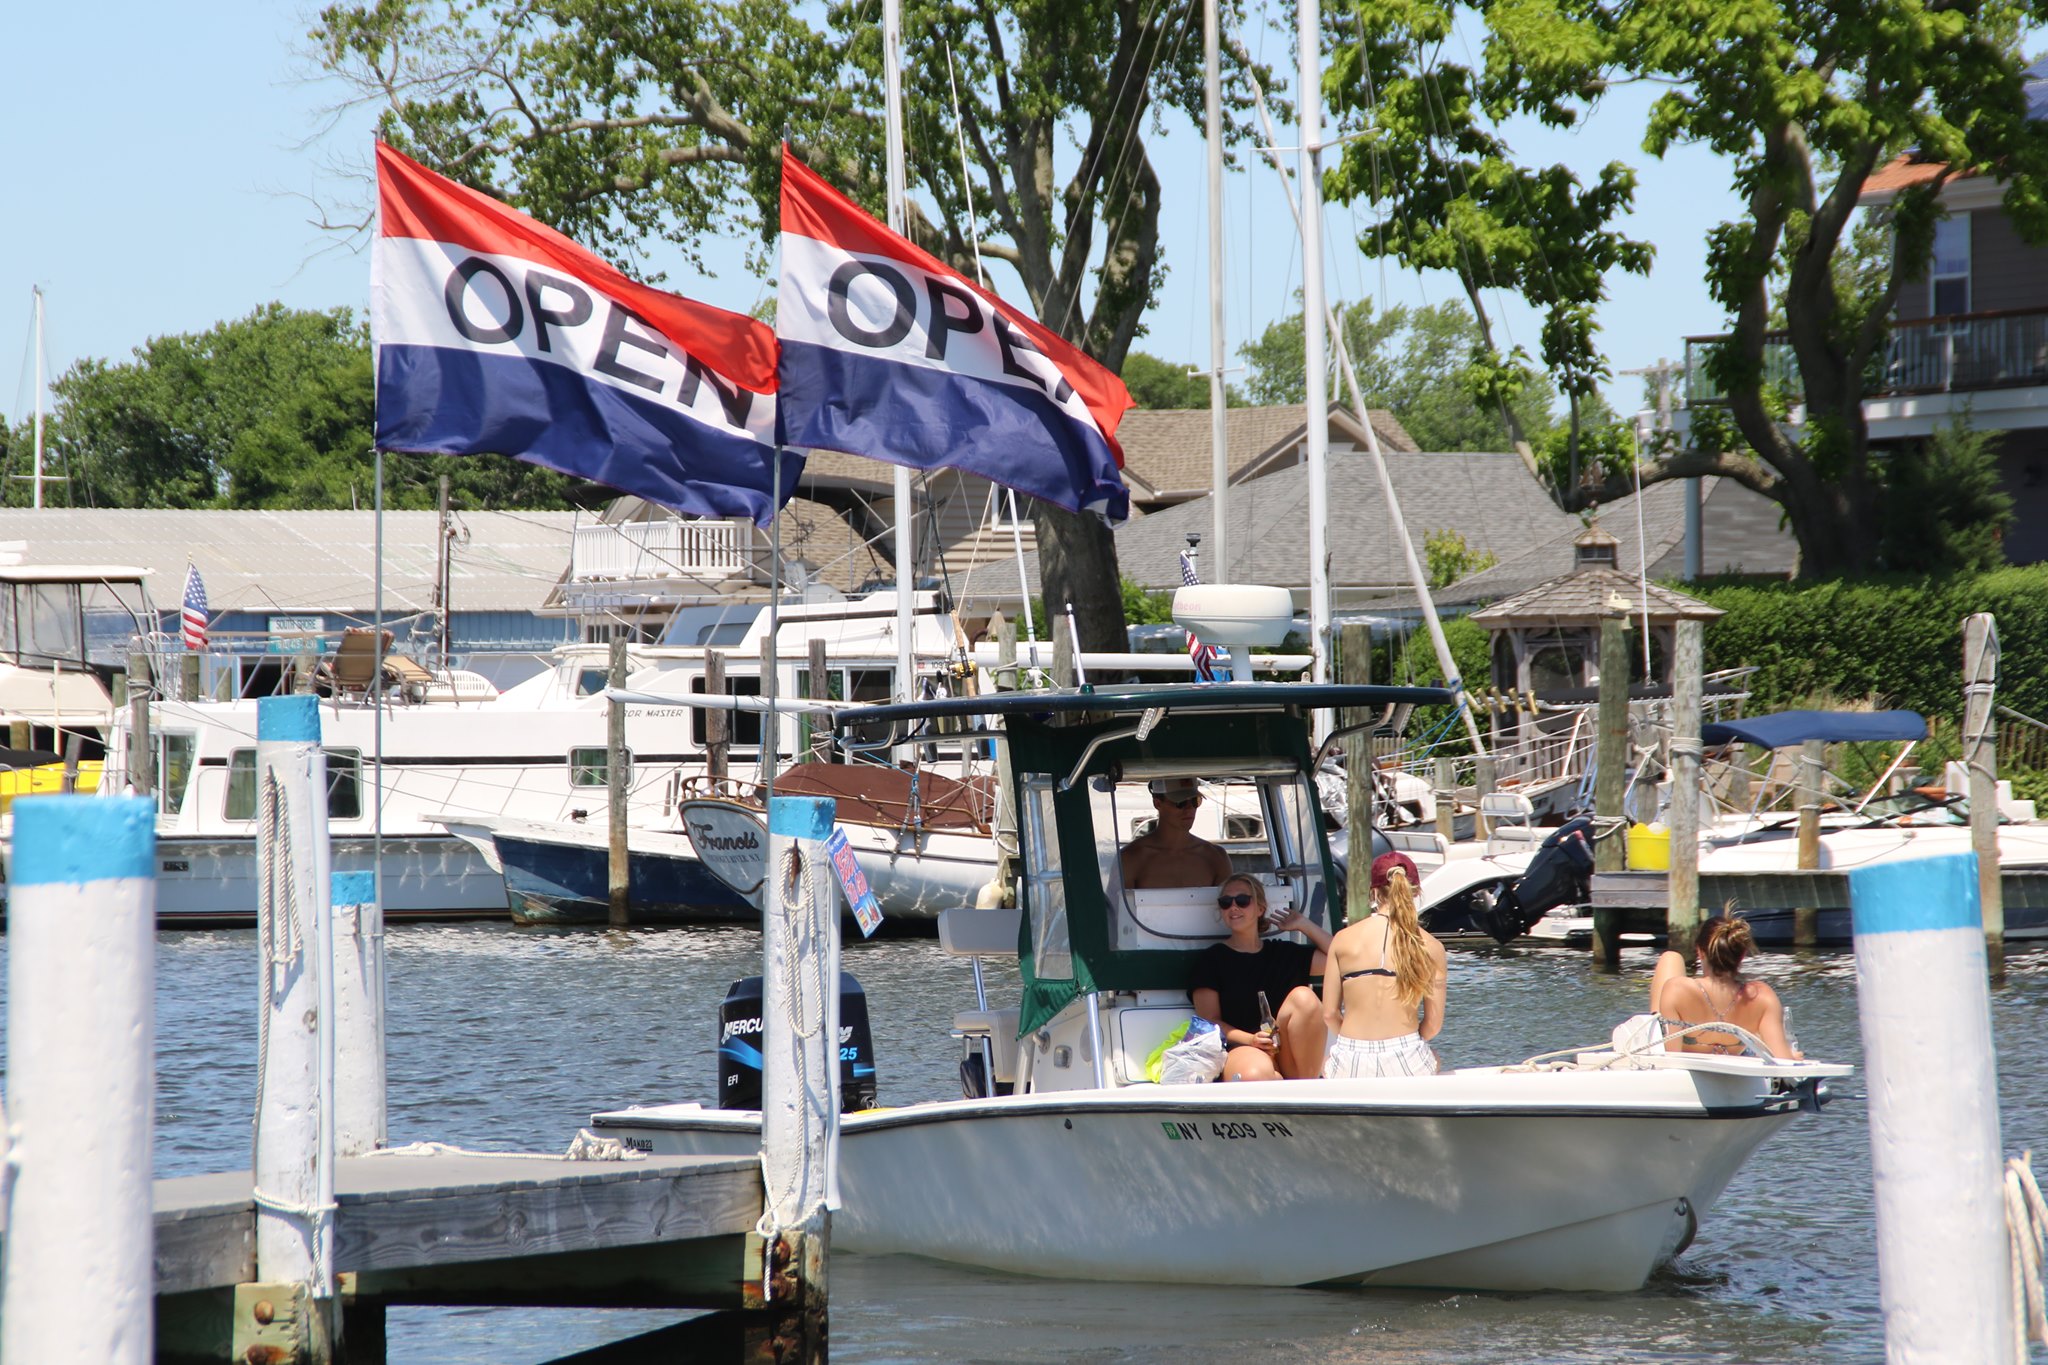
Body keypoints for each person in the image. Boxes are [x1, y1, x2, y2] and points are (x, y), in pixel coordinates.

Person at [1188, 874, 1333, 1080]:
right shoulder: (1211, 960)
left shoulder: (1284, 953)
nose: (1233, 907)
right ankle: (1280, 1082)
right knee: (1256, 1075)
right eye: (1226, 902)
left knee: (1305, 997)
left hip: (1284, 1049)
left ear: (1260, 909)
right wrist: (1252, 1040)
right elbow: (1209, 1021)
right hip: (1240, 1046)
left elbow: (1339, 957)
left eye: (1242, 900)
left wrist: (1303, 924)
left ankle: (1302, 1087)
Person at [1319, 851, 1447, 1078]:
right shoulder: (1430, 945)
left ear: (1374, 892)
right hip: (1406, 1056)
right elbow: (1433, 1025)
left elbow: (1329, 1014)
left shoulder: (1342, 939)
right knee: (1434, 1058)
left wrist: (1354, 1043)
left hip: (1351, 1056)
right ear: (1415, 892)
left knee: (1325, 1063)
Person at [1649, 914, 1800, 1058]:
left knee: (1671, 958)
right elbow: (1783, 1060)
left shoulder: (1677, 989)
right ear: (1742, 955)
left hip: (1681, 1053)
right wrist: (1793, 1057)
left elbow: (1670, 1056)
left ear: (1700, 952)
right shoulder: (1762, 996)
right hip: (1735, 1054)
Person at [1121, 777, 1232, 889]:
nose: (1189, 809)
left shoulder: (1217, 857)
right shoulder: (1130, 859)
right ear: (1157, 803)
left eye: (1195, 801)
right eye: (1180, 803)